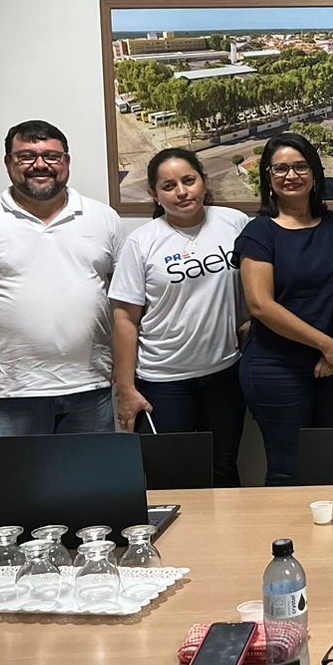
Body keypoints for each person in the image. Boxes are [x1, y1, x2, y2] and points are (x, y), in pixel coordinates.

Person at [0, 120, 124, 435]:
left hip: (90, 389)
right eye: (26, 156)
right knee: (9, 471)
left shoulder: (104, 218)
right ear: (8, 163)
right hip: (11, 393)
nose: (40, 165)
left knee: (90, 471)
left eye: (51, 156)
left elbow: (125, 299)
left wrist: (127, 367)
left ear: (67, 161)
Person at [110, 149, 251, 486]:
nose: (182, 192)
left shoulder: (234, 222)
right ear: (154, 194)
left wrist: (249, 323)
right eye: (169, 186)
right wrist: (126, 388)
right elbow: (125, 318)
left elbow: (254, 284)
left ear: (204, 181)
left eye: (189, 181)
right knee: (172, 479)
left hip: (224, 374)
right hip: (163, 381)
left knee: (223, 469)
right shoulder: (142, 242)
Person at [235, 133, 333, 486]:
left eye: (300, 167)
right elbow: (261, 305)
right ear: (268, 177)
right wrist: (326, 345)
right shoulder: (258, 233)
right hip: (276, 367)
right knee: (287, 470)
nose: (290, 175)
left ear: (315, 173)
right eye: (280, 168)